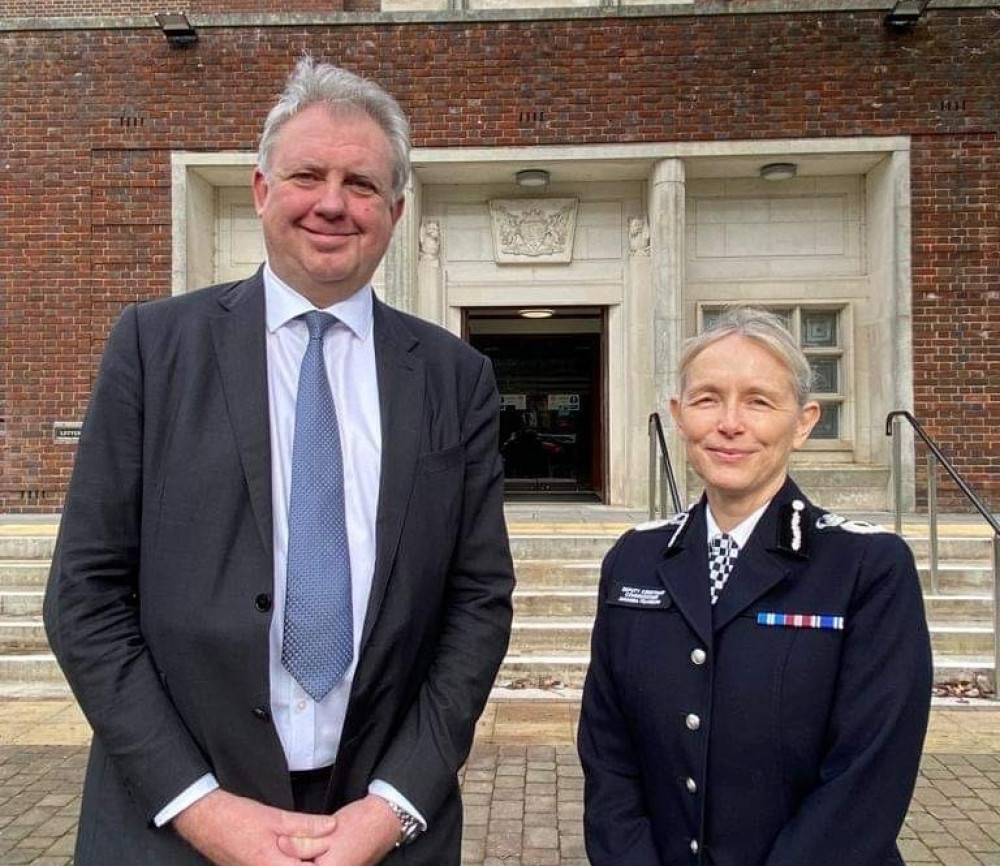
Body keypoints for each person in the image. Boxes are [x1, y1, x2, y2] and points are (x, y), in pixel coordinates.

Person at [44, 57, 515, 866]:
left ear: (396, 211)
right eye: (307, 175)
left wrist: (393, 806)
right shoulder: (154, 350)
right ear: (262, 191)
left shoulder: (454, 377)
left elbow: (477, 602)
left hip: (380, 827)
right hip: (176, 826)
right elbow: (85, 599)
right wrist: (199, 808)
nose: (333, 202)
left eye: (362, 185)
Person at [578, 307, 932, 865]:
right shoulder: (635, 561)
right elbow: (609, 757)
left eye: (759, 401)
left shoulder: (867, 568)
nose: (730, 423)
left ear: (804, 420)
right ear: (678, 414)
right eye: (707, 398)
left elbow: (867, 776)